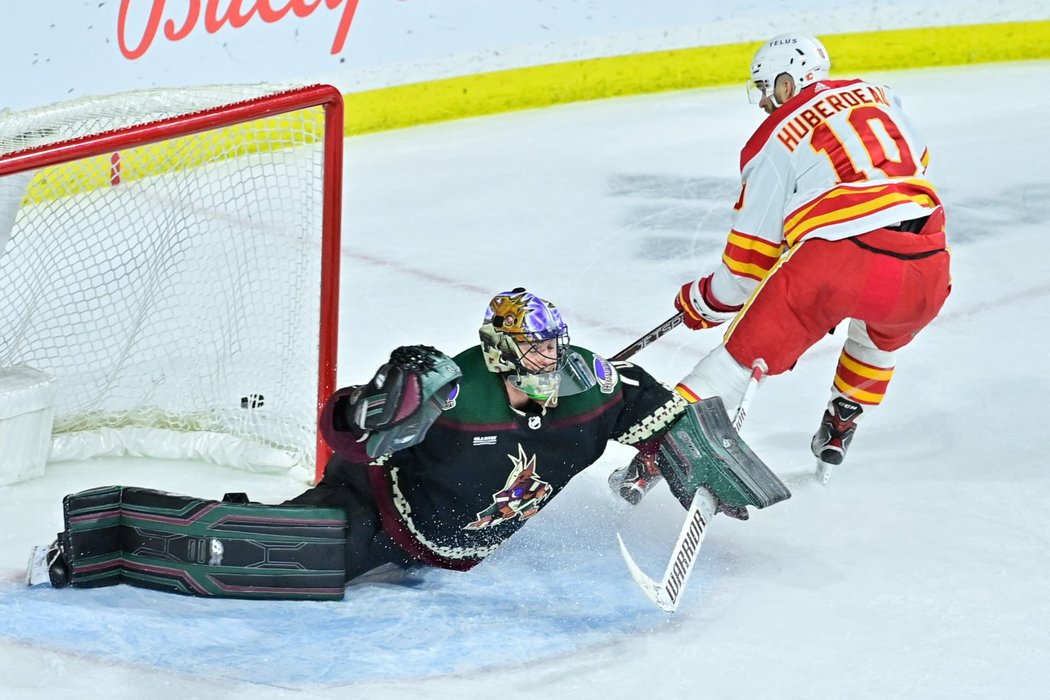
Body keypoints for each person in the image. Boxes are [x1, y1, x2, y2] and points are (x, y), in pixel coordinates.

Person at [31, 287, 730, 598]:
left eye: (555, 346)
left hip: (459, 541)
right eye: (534, 351)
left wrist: (689, 450)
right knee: (267, 553)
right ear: (499, 352)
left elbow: (651, 405)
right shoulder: (453, 393)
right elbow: (348, 438)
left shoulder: (591, 391)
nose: (551, 361)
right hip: (383, 514)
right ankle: (99, 541)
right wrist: (367, 409)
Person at [611, 33, 951, 500]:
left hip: (837, 264)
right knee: (877, 337)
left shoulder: (773, 139)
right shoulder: (881, 95)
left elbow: (747, 267)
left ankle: (647, 465)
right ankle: (841, 422)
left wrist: (704, 301)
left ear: (789, 82)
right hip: (929, 268)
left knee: (734, 364)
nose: (765, 102)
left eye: (768, 89)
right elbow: (916, 165)